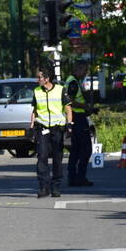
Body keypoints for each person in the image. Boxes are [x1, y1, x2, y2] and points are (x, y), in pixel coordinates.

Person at [29, 64, 72, 198]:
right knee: (41, 157)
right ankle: (44, 187)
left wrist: (69, 125)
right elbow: (35, 110)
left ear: (47, 78)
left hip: (57, 129)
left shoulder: (60, 90)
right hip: (42, 128)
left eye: (39, 77)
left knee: (57, 158)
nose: (38, 80)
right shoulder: (37, 91)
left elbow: (68, 109)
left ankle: (56, 186)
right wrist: (31, 126)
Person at [65, 60, 94, 186]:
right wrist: (85, 106)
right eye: (85, 70)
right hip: (78, 117)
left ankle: (73, 177)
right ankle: (80, 176)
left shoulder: (72, 80)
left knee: (76, 149)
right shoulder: (73, 82)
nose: (85, 73)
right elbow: (70, 101)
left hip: (76, 117)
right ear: (79, 69)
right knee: (86, 148)